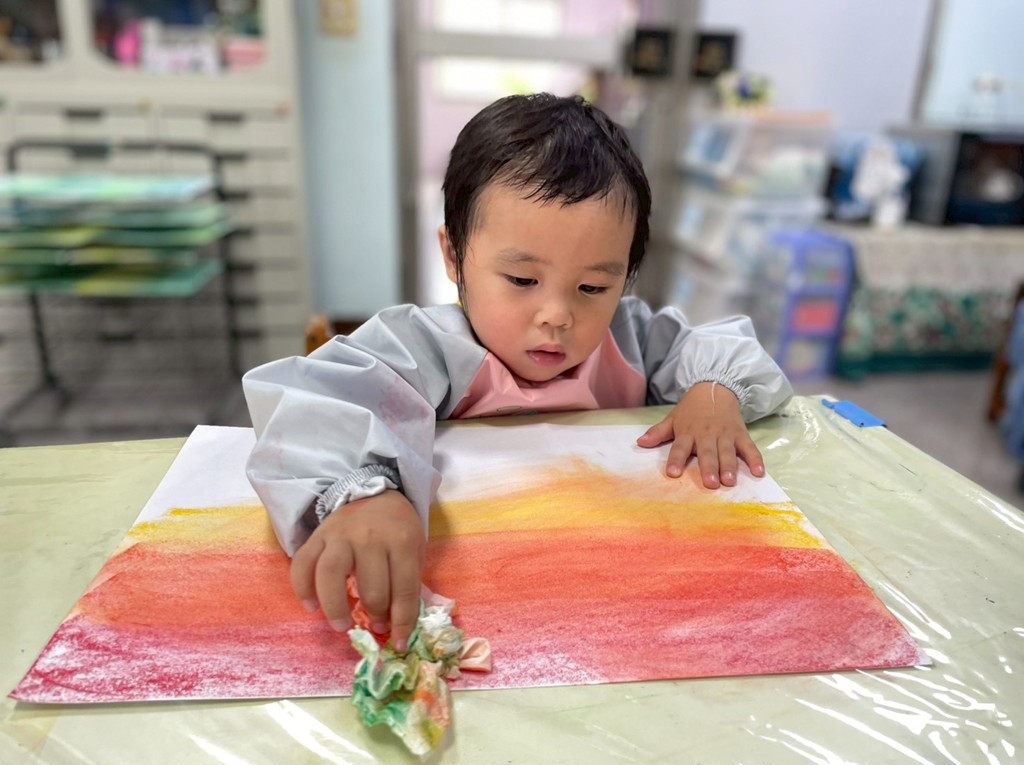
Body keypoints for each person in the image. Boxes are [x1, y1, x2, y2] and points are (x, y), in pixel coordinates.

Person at [243, 93, 792, 654]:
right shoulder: (425, 347)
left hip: (606, 598)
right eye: (523, 281)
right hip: (472, 601)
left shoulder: (631, 342)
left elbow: (725, 349)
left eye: (593, 287)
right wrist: (363, 494)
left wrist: (715, 391)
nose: (557, 314)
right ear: (454, 256)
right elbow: (316, 405)